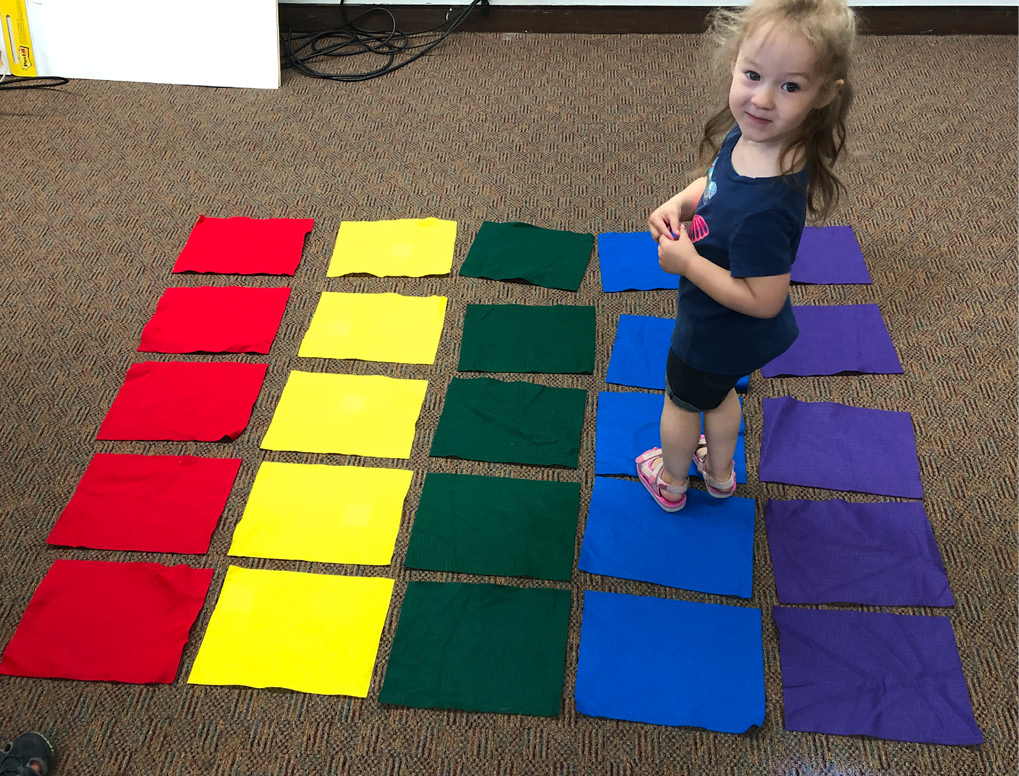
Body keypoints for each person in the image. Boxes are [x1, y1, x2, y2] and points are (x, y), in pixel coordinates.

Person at [636, 0, 856, 511]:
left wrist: (688, 264)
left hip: (717, 326)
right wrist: (682, 200)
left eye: (790, 86)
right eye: (753, 74)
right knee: (720, 394)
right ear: (735, 61)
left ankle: (671, 482)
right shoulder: (758, 133)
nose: (761, 99)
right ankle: (719, 475)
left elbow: (764, 300)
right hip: (733, 338)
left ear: (824, 93)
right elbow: (717, 180)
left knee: (681, 403)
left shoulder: (765, 211)